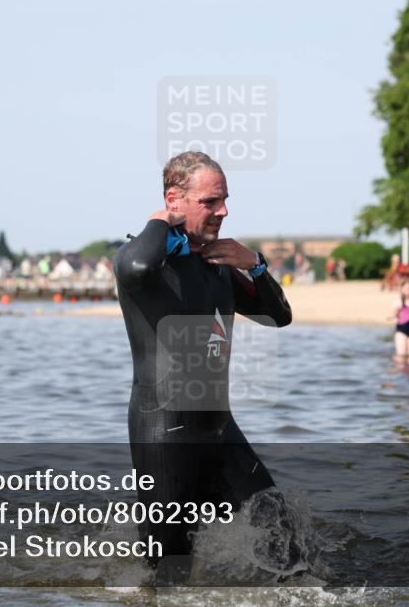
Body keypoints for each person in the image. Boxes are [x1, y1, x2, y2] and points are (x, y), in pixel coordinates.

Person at [114, 151, 294, 583]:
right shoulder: (148, 265)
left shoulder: (217, 265)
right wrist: (160, 221)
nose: (223, 211)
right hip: (165, 436)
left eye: (225, 200)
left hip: (219, 430)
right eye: (210, 202)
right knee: (169, 576)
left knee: (285, 544)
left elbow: (278, 316)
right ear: (175, 200)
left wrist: (255, 264)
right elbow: (136, 266)